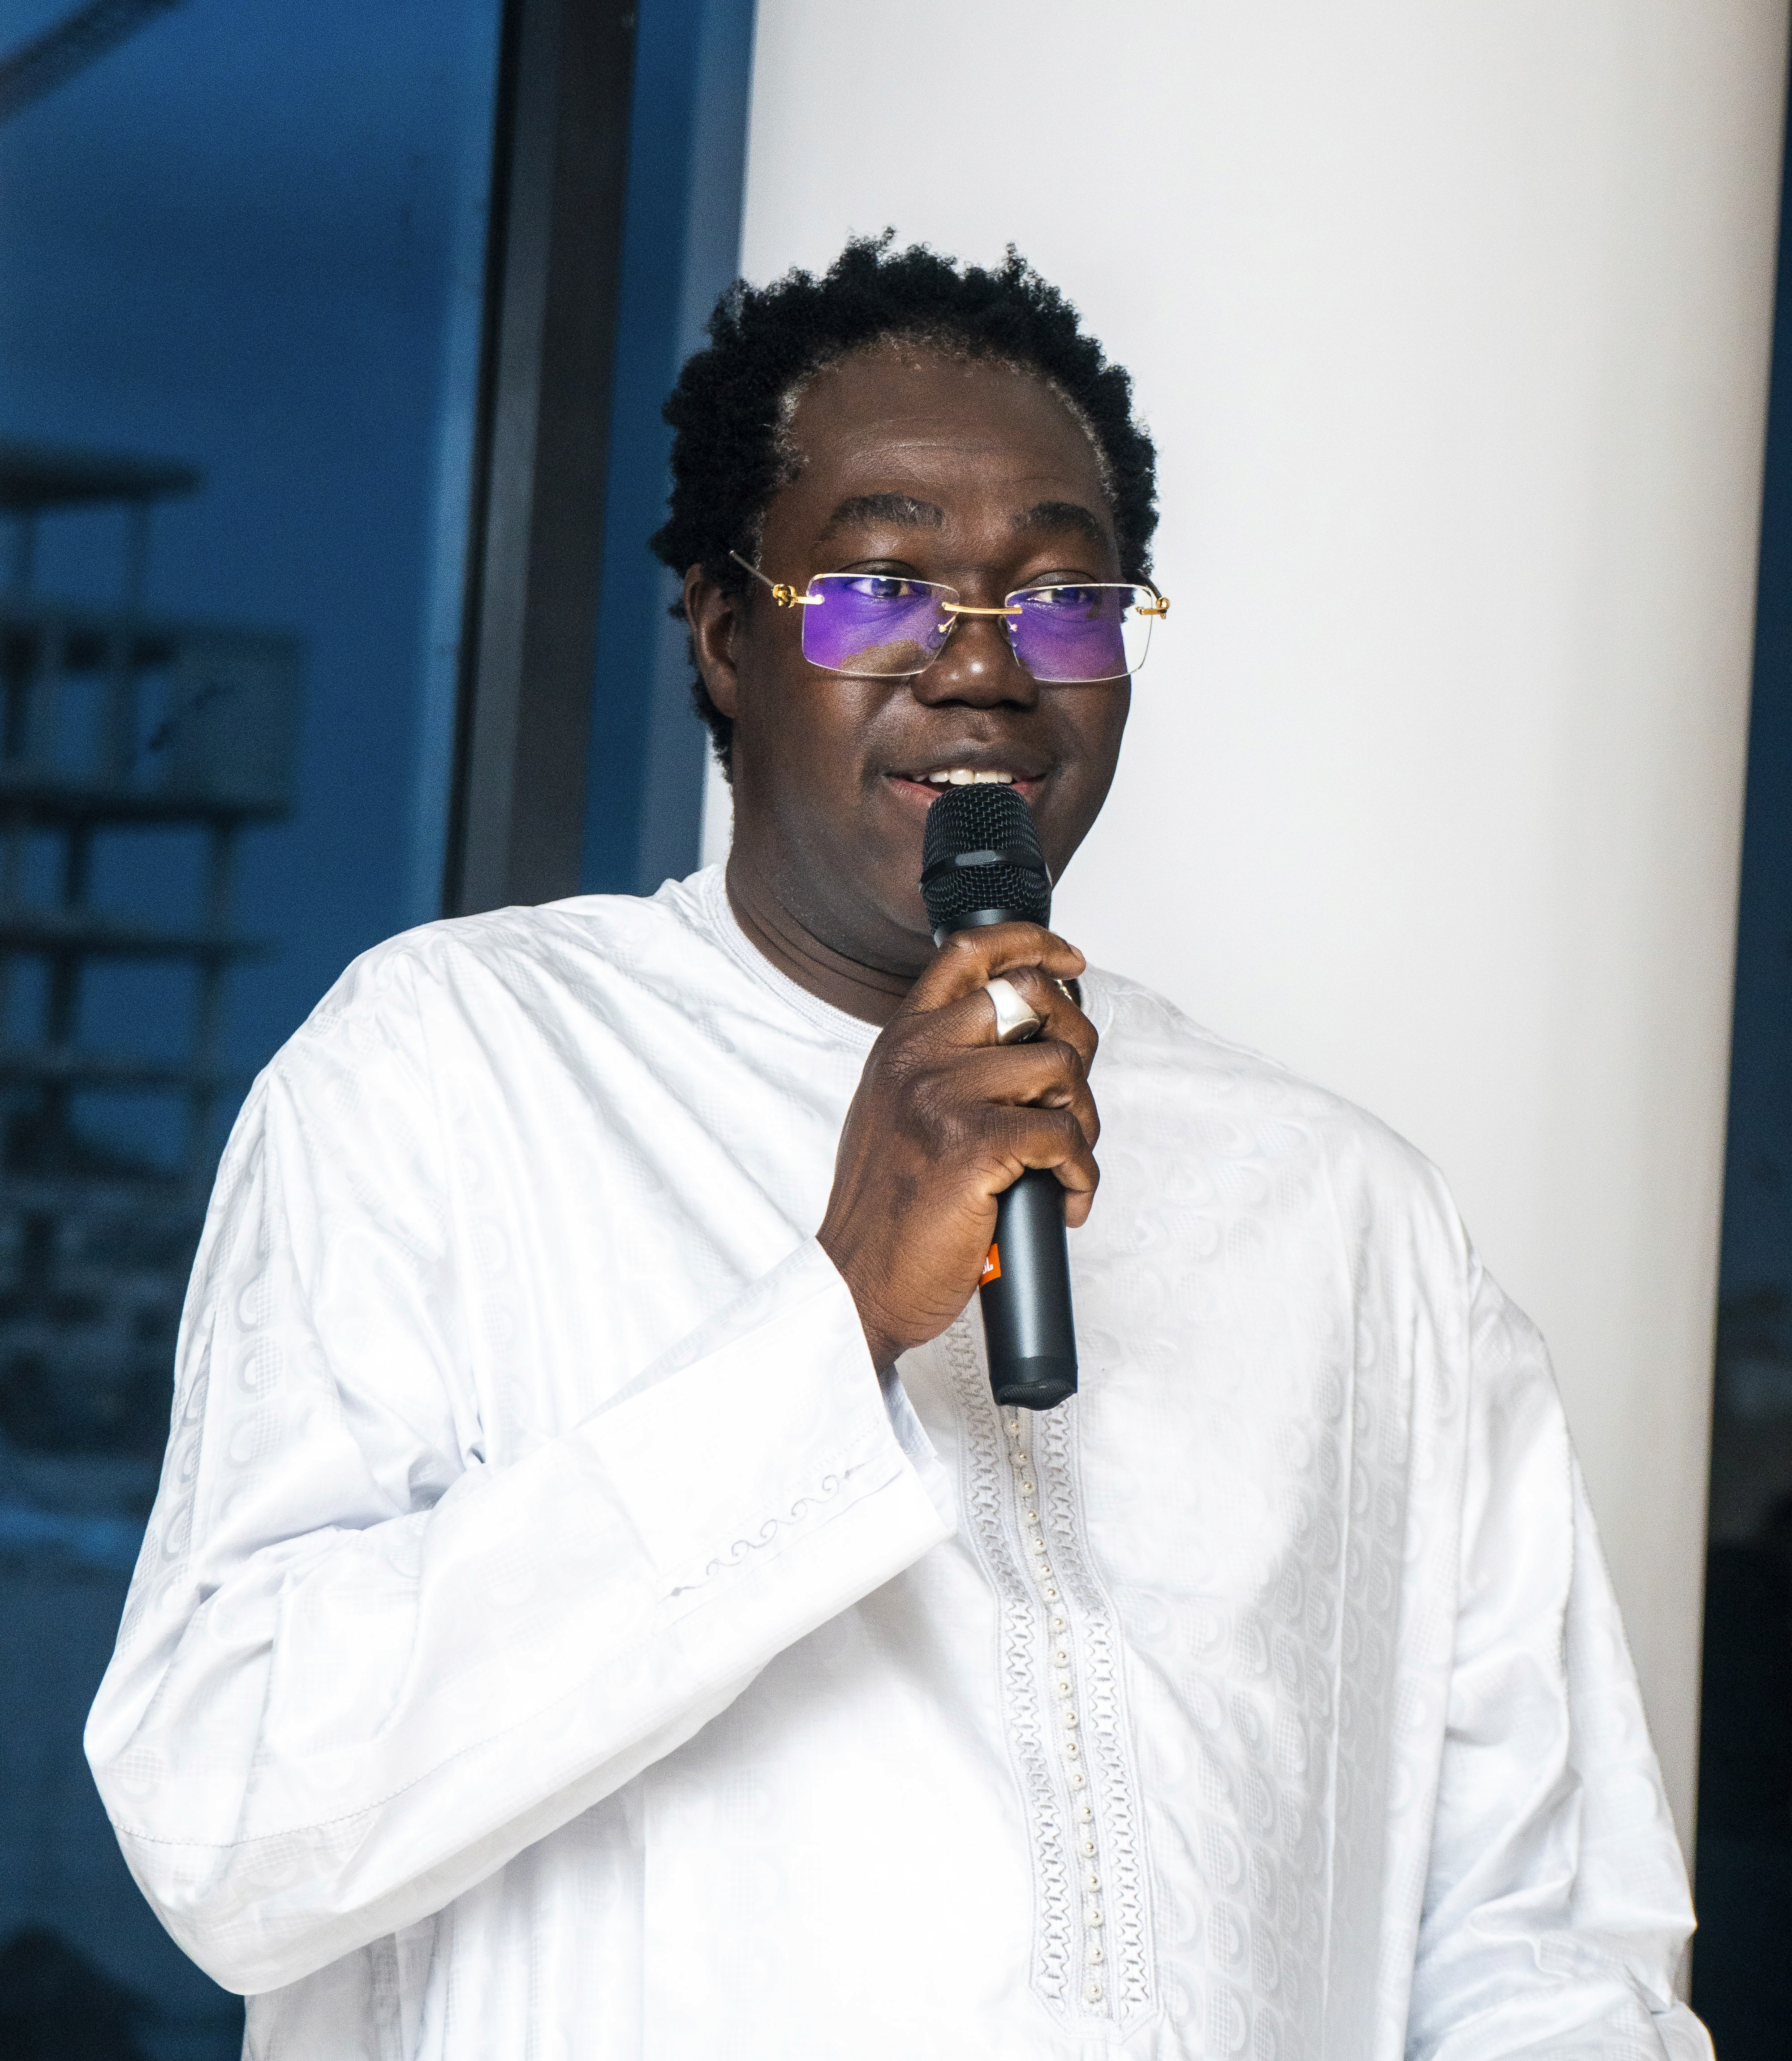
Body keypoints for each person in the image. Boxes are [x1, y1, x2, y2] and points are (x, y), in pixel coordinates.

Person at [86, 237, 1709, 2060]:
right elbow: (229, 1822)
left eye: (1064, 600)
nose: (984, 666)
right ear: (725, 630)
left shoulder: (1350, 1215)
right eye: (879, 588)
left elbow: (1538, 1944)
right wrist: (838, 1310)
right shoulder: (455, 1069)